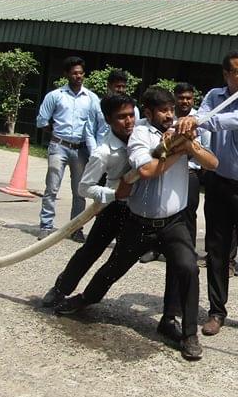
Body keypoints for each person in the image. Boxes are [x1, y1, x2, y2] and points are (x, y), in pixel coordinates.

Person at [55, 87, 218, 361]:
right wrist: (177, 150)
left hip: (173, 223)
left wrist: (189, 145)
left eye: (171, 110)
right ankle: (87, 298)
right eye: (163, 111)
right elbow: (146, 170)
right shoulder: (140, 134)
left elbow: (213, 163)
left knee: (188, 269)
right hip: (139, 222)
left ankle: (188, 333)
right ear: (149, 113)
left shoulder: (184, 132)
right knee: (113, 268)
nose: (169, 115)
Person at [176, 51, 238, 341]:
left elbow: (232, 120)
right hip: (218, 183)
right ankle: (216, 312)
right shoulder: (213, 96)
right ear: (226, 74)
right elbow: (202, 118)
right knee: (217, 251)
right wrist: (192, 122)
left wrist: (198, 120)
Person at [41, 94, 137, 308]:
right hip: (114, 207)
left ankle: (89, 297)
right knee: (91, 250)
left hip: (139, 209)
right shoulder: (103, 152)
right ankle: (61, 289)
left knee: (122, 257)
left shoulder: (142, 138)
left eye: (131, 115)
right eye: (121, 117)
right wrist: (113, 194)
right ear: (108, 119)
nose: (129, 121)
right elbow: (84, 187)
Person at [140, 82, 209, 264]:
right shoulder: (166, 117)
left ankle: (188, 251)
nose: (185, 101)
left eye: (188, 98)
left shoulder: (200, 119)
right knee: (159, 210)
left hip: (189, 173)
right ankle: (155, 249)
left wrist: (187, 149)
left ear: (193, 99)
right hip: (162, 170)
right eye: (181, 98)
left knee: (187, 214)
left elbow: (205, 148)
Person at [36, 57, 103, 243]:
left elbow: (99, 123)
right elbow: (42, 120)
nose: (78, 76)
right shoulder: (55, 96)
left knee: (79, 191)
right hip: (59, 146)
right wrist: (56, 134)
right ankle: (46, 226)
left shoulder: (91, 98)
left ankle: (76, 229)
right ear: (66, 74)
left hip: (81, 150)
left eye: (81, 73)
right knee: (52, 187)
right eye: (74, 73)